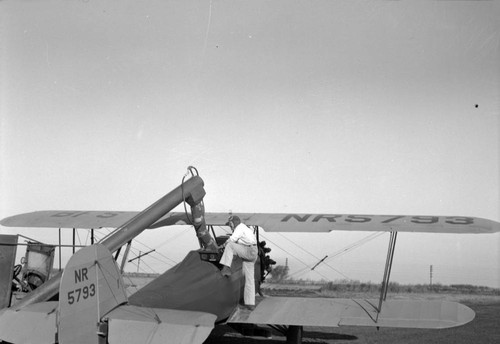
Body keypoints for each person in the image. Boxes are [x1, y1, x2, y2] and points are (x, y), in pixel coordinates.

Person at [219, 215, 258, 309]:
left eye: (230, 224)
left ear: (234, 223)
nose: (230, 226)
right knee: (249, 279)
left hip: (248, 251)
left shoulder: (239, 227)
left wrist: (222, 246)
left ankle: (226, 268)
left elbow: (232, 240)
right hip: (253, 251)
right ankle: (250, 304)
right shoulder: (245, 228)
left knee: (230, 246)